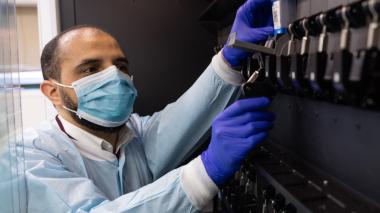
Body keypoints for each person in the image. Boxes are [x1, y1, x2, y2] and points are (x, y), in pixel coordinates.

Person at [21, 0, 275, 212]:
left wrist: (228, 59)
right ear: (52, 92)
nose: (114, 77)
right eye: (91, 69)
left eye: (120, 66)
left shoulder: (132, 134)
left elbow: (183, 119)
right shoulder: (28, 162)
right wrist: (205, 172)